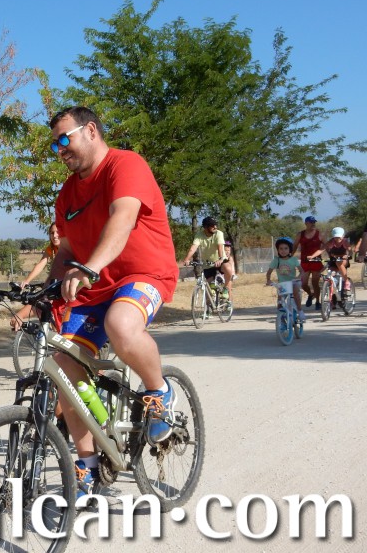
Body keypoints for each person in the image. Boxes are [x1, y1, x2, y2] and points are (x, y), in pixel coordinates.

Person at [32, 106, 178, 498]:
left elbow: (123, 218)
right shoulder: (67, 193)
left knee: (121, 325)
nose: (60, 149)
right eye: (54, 144)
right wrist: (43, 293)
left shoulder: (125, 165)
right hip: (93, 285)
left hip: (143, 274)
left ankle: (158, 392)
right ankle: (88, 465)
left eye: (65, 139)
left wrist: (89, 267)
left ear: (91, 130)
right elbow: (66, 252)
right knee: (63, 365)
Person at [181, 217, 234, 301]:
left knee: (228, 269)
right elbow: (193, 248)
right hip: (208, 264)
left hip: (221, 261)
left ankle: (225, 290)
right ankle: (208, 307)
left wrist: (220, 259)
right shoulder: (199, 235)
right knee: (208, 290)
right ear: (206, 227)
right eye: (212, 225)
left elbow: (220, 247)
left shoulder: (219, 233)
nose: (215, 227)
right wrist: (186, 259)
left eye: (216, 225)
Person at [265, 237, 306, 320]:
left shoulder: (293, 260)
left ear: (290, 249)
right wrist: (268, 280)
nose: (283, 251)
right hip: (282, 284)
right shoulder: (276, 260)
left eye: (286, 248)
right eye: (281, 249)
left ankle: (300, 310)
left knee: (295, 291)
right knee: (280, 300)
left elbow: (302, 271)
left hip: (293, 282)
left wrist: (298, 278)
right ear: (278, 250)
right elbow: (269, 272)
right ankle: (280, 317)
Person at [310, 227, 352, 297]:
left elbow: (350, 251)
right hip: (333, 260)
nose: (338, 239)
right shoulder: (331, 242)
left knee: (339, 263)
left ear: (343, 236)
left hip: (343, 260)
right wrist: (312, 256)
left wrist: (347, 255)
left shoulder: (345, 242)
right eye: (336, 237)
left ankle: (347, 282)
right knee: (330, 275)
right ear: (333, 236)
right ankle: (333, 294)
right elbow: (321, 250)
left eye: (339, 237)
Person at [292, 216, 324, 310]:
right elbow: (294, 246)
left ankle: (318, 301)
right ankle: (310, 294)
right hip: (305, 262)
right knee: (303, 283)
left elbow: (326, 245)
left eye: (314, 222)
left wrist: (332, 254)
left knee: (315, 282)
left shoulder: (319, 234)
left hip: (316, 261)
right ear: (306, 223)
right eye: (311, 222)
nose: (313, 224)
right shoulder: (300, 234)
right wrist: (289, 256)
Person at [20, 223, 60, 288]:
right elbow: (41, 264)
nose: (55, 235)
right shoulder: (51, 248)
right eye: (52, 233)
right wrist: (27, 281)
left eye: (58, 232)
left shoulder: (71, 246)